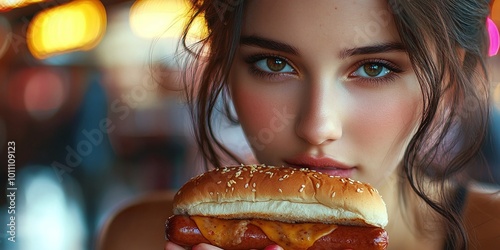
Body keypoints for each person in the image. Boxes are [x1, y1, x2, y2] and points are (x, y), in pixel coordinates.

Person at [166, 0, 500, 249]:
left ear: (446, 77)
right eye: (274, 63)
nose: (317, 128)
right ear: (224, 62)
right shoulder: (133, 236)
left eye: (374, 68)